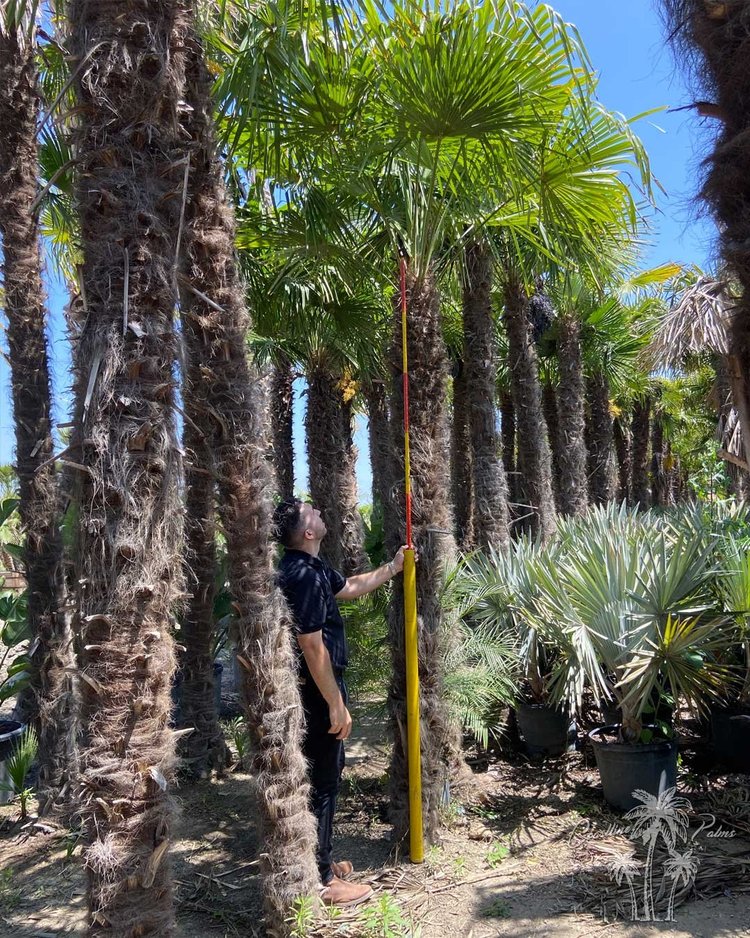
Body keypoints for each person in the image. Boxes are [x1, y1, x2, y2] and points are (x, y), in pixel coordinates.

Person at [273, 498, 407, 908]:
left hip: (322, 686)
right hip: (316, 690)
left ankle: (318, 860)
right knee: (324, 778)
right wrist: (334, 702)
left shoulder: (311, 568)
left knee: (326, 771)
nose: (319, 511)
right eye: (312, 512)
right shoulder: (301, 576)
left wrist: (393, 567)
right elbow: (311, 645)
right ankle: (322, 880)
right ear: (307, 532)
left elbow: (348, 587)